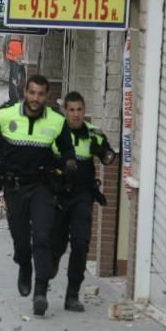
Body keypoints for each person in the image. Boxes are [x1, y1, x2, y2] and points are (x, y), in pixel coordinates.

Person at [0, 74, 76, 316]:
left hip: (43, 187)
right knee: (21, 241)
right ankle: (24, 266)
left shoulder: (57, 120)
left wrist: (69, 163)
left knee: (42, 236)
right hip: (14, 187)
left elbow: (67, 149)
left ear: (47, 96)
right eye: (32, 93)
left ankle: (40, 291)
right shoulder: (8, 113)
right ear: (25, 92)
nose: (36, 98)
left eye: (41, 94)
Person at [51, 91, 115, 312]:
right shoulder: (56, 135)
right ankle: (51, 266)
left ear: (84, 111)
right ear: (64, 111)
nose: (76, 115)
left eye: (79, 110)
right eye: (71, 110)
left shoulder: (93, 134)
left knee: (80, 243)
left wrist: (104, 153)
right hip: (59, 196)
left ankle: (72, 295)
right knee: (56, 245)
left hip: (82, 197)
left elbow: (109, 157)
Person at [5, 35, 25, 102]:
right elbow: (5, 45)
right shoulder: (10, 35)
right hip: (13, 59)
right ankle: (14, 98)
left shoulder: (20, 34)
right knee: (14, 79)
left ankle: (16, 96)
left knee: (18, 78)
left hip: (19, 59)